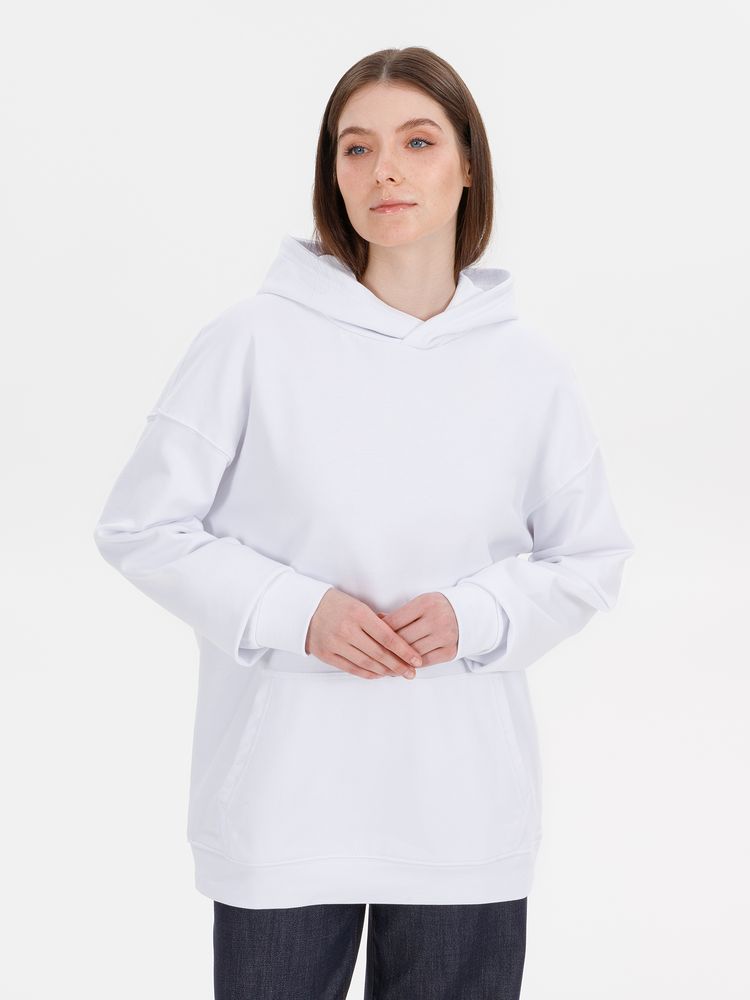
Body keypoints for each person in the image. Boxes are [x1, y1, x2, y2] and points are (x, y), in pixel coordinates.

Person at [93, 46, 635, 1000]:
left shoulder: (530, 370)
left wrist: (475, 616)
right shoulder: (251, 341)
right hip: (285, 812)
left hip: (462, 815)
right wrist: (298, 612)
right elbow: (141, 525)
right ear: (332, 174)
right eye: (357, 147)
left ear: (467, 166)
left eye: (417, 142)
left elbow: (589, 557)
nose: (385, 169)